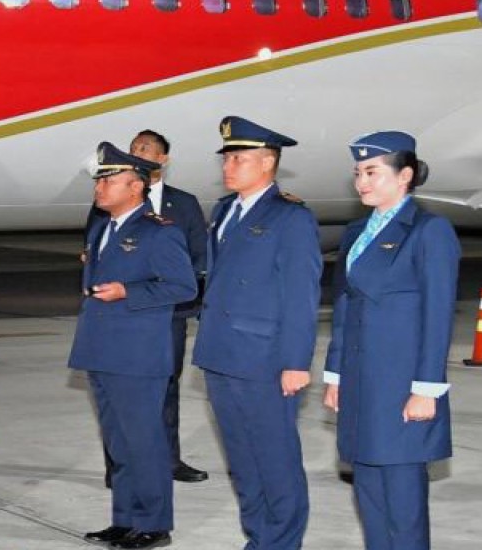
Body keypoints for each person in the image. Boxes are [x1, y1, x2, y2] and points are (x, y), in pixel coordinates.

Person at [322, 131, 460, 550]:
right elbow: (345, 306)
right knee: (370, 494)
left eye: (372, 171)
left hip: (402, 384)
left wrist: (426, 389)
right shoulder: (357, 232)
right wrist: (335, 372)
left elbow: (439, 316)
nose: (362, 182)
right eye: (358, 173)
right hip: (361, 382)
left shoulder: (428, 231)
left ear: (405, 175)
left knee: (402, 501)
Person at [192, 116, 321, 550]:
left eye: (238, 158)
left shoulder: (290, 217)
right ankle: (258, 538)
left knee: (275, 460)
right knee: (243, 462)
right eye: (226, 158)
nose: (228, 167)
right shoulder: (224, 211)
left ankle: (282, 542)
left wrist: (295, 363)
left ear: (267, 162)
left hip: (264, 358)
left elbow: (301, 296)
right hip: (221, 354)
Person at [70, 141, 197, 550]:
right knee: (118, 443)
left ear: (136, 186)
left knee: (144, 442)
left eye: (110, 179)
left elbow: (183, 286)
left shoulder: (159, 232)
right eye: (99, 179)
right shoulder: (102, 229)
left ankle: (154, 524)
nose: (100, 187)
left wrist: (129, 290)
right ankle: (124, 519)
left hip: (138, 355)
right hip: (102, 349)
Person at [89, 129, 210, 487]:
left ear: (162, 159)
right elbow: (93, 253)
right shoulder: (104, 206)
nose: (137, 151)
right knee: (116, 397)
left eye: (145, 148)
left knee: (164, 390)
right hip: (117, 321)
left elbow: (198, 258)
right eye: (134, 147)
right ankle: (119, 466)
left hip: (167, 315)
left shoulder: (182, 204)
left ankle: (168, 460)